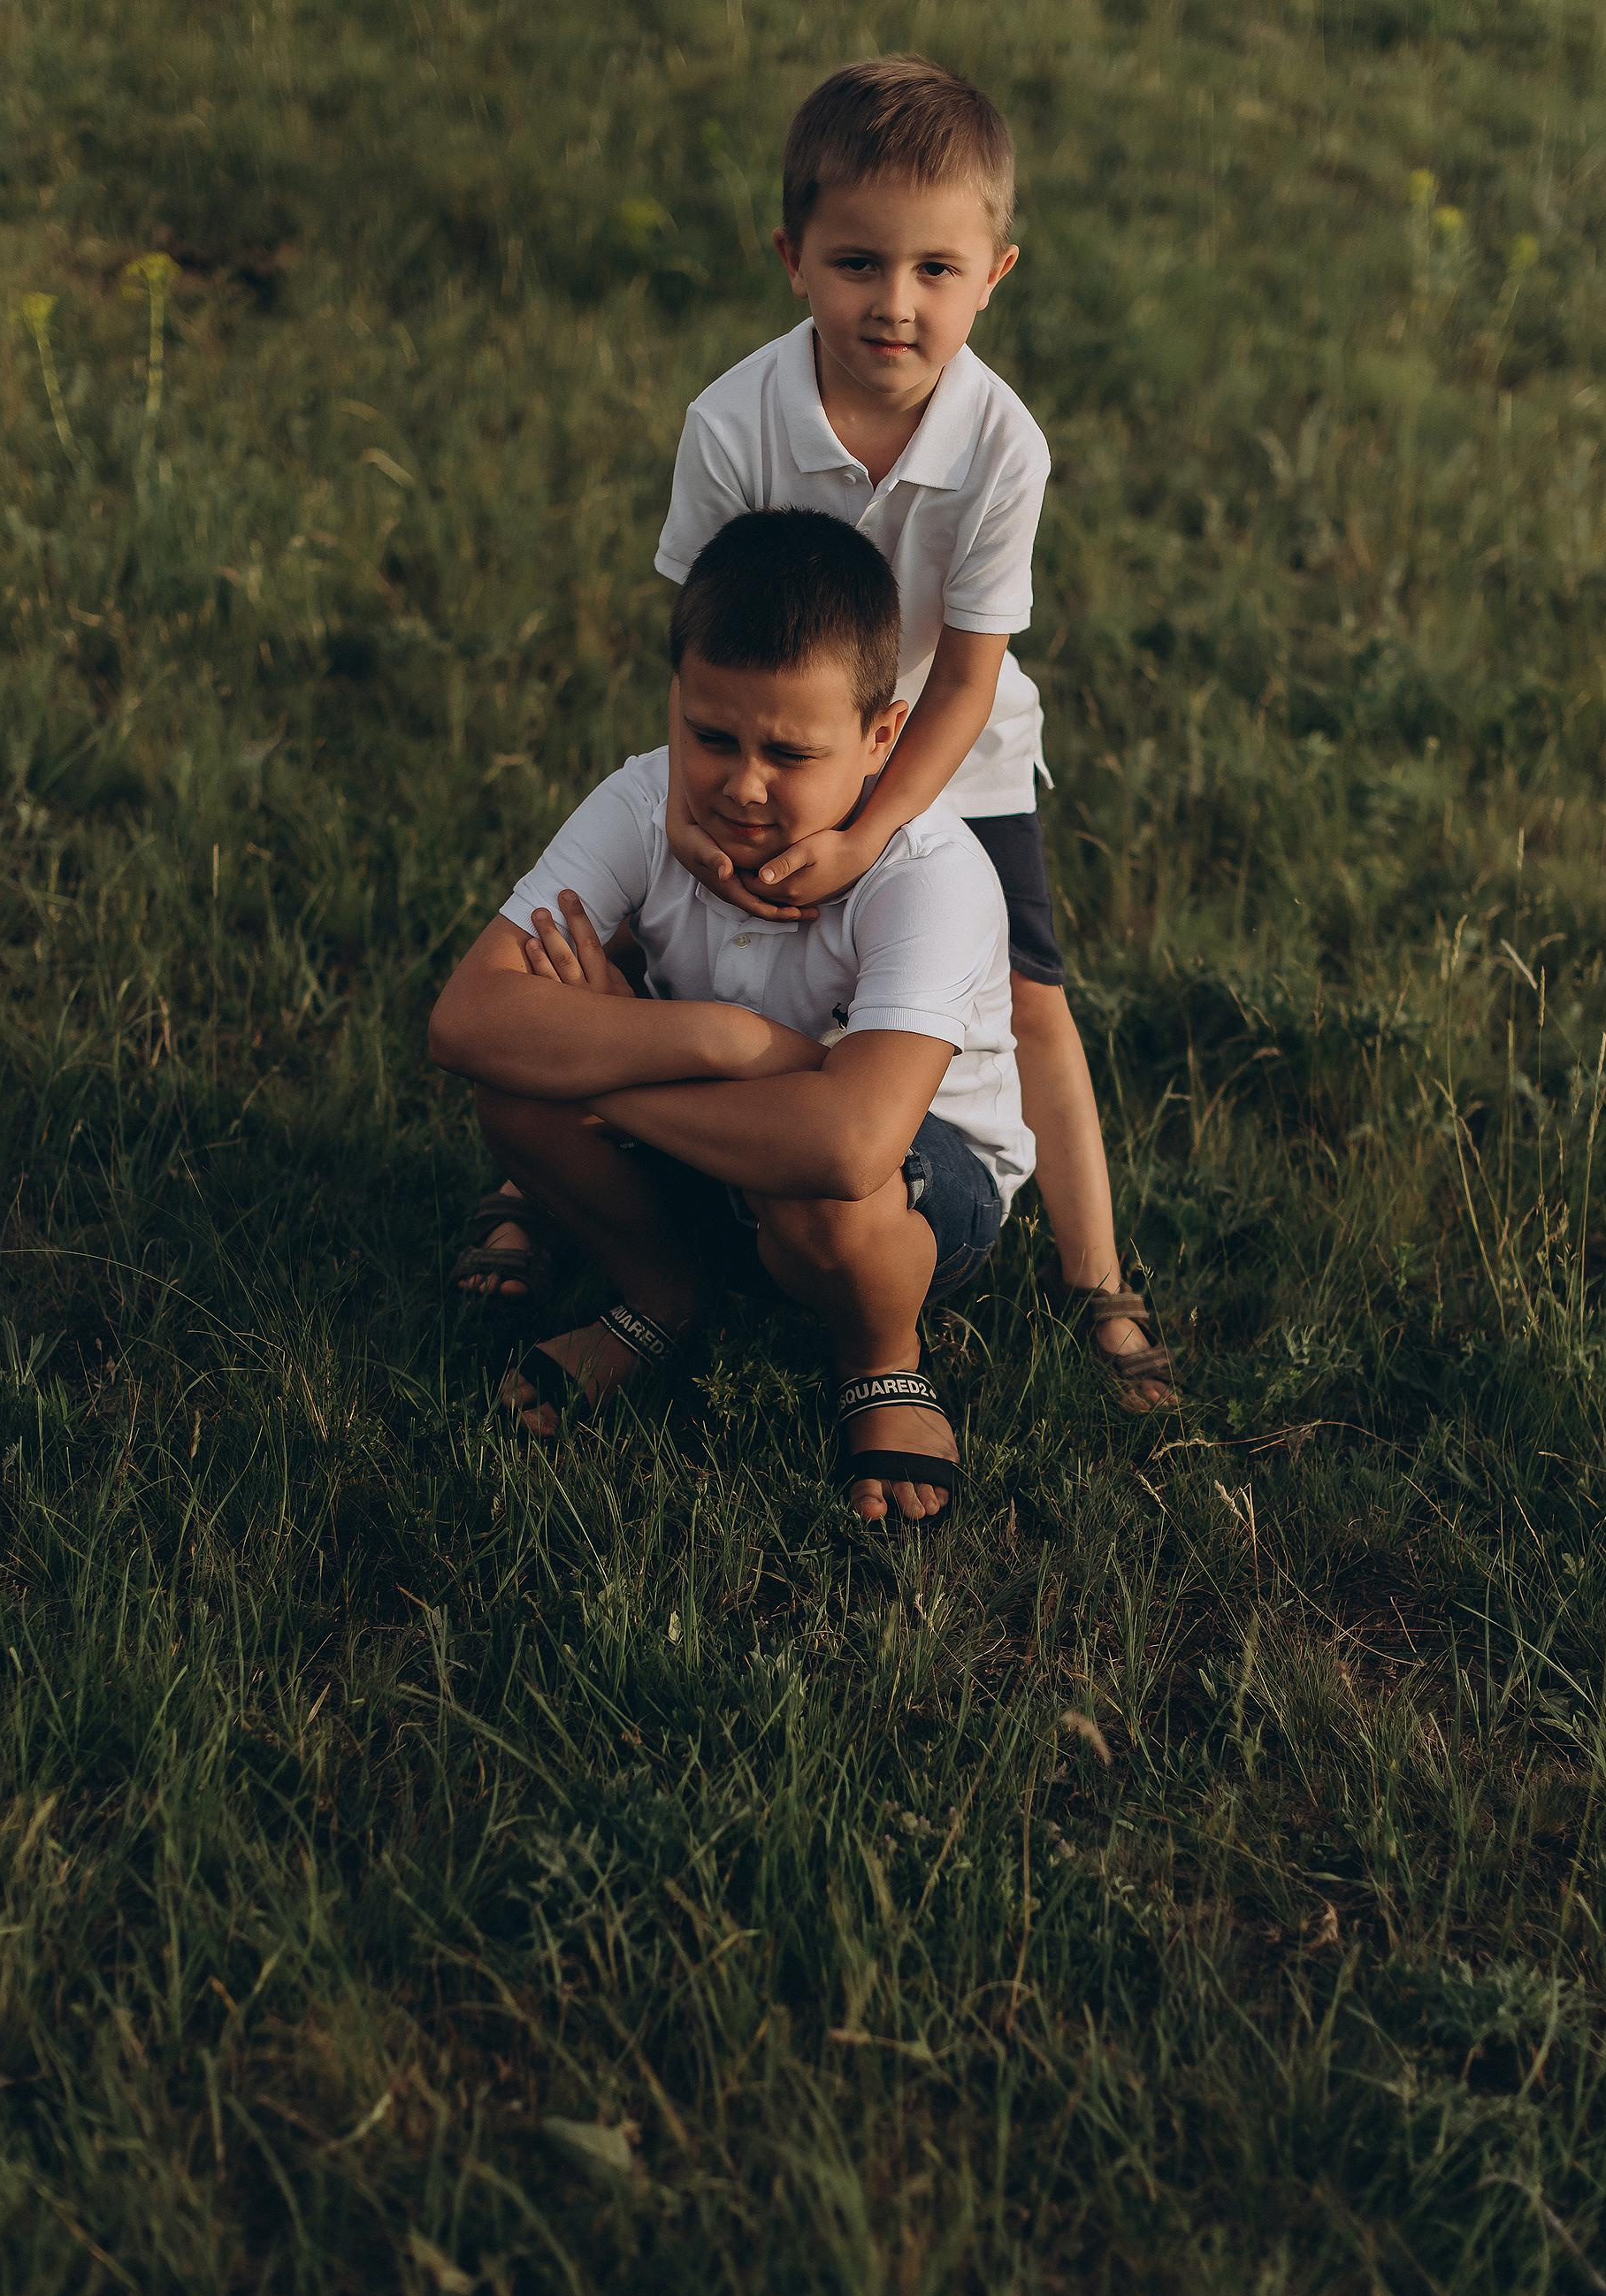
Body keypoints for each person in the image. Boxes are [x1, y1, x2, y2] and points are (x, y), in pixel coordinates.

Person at [452, 55, 1174, 1409]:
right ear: (792, 258)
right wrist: (691, 800)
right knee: (627, 927)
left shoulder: (1004, 444)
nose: (893, 306)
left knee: (1021, 998)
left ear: (995, 273)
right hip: (766, 736)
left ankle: (1098, 1284)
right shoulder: (733, 421)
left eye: (935, 273)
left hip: (946, 748)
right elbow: (708, 645)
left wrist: (864, 833)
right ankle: (541, 1166)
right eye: (856, 263)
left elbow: (964, 674)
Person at [430, 509, 1044, 1528]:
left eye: (789, 752)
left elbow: (850, 1143)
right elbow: (466, 1017)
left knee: (817, 1191)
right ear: (674, 698)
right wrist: (723, 1039)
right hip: (735, 1127)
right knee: (514, 1084)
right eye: (710, 736)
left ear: (878, 737)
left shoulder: (927, 871)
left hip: (920, 1198)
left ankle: (881, 1360)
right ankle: (662, 1295)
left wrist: (600, 1059)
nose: (741, 784)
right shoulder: (639, 802)